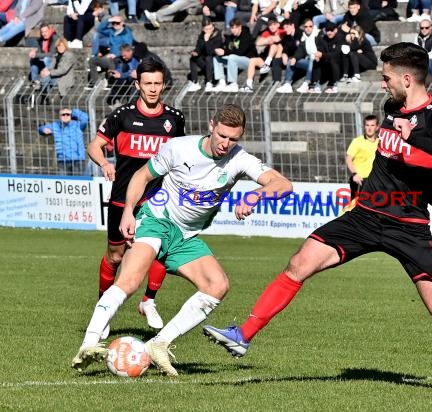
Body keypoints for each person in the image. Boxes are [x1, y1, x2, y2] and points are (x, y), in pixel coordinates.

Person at [203, 42, 432, 387]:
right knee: (299, 262)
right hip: (365, 214)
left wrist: (417, 145)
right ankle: (243, 334)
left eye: (386, 76)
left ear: (407, 79)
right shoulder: (392, 106)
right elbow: (400, 168)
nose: (382, 83)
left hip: (408, 227)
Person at [71, 104, 293, 376]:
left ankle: (159, 344)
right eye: (222, 135)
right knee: (130, 280)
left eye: (233, 139)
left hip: (186, 235)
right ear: (211, 126)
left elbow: (283, 184)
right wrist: (129, 211)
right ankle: (89, 343)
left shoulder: (239, 159)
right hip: (157, 220)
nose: (226, 144)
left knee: (217, 285)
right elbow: (142, 175)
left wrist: (256, 195)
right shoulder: (180, 148)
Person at [85, 58, 186, 339]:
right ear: (137, 84)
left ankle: (148, 300)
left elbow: (180, 155)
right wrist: (105, 164)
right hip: (122, 199)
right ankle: (103, 307)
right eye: (148, 83)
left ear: (164, 84)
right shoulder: (123, 116)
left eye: (158, 83)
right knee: (115, 256)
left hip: (158, 198)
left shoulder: (174, 119)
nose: (153, 89)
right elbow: (94, 146)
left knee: (159, 250)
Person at [87, 16, 135, 88]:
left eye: (117, 23)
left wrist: (116, 55)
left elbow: (128, 50)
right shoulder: (112, 31)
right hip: (109, 56)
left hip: (119, 58)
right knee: (92, 60)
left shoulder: (127, 34)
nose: (115, 24)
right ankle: (95, 83)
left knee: (110, 61)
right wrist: (108, 20)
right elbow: (99, 29)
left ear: (122, 23)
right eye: (113, 23)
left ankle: (110, 84)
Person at [38, 107, 88, 175]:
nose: (65, 116)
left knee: (78, 182)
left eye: (68, 114)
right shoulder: (55, 125)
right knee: (64, 182)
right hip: (62, 160)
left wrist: (73, 111)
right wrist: (43, 130)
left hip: (78, 159)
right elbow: (41, 128)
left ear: (71, 115)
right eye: (63, 114)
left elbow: (85, 119)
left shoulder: (78, 125)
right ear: (60, 116)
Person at [212, 18, 257, 93]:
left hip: (249, 61)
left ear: (240, 27)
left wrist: (225, 52)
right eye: (232, 28)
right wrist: (220, 51)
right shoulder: (231, 37)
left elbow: (240, 52)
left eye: (235, 28)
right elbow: (225, 48)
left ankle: (233, 84)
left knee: (231, 57)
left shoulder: (246, 36)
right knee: (217, 58)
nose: (233, 30)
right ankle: (222, 82)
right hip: (235, 60)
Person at [345, 114, 379, 199]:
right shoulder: (357, 141)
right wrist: (354, 174)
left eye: (372, 125)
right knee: (355, 208)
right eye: (367, 125)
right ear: (364, 126)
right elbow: (348, 159)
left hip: (374, 181)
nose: (369, 128)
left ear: (377, 127)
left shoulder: (380, 142)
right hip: (360, 180)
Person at [187, 17, 224, 93]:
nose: (209, 31)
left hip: (215, 62)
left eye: (210, 28)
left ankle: (209, 82)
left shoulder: (217, 35)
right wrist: (195, 52)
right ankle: (195, 82)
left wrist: (207, 41)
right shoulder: (202, 35)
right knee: (193, 59)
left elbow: (211, 52)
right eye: (207, 29)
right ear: (203, 29)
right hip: (205, 62)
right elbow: (198, 48)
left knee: (208, 57)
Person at [105, 43, 139, 109]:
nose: (123, 57)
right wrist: (112, 72)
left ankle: (130, 103)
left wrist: (121, 75)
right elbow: (118, 68)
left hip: (132, 84)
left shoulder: (136, 61)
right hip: (121, 82)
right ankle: (114, 100)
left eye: (125, 55)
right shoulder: (119, 59)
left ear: (130, 51)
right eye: (122, 55)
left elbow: (133, 73)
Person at [28, 23, 58, 88]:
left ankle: (46, 79)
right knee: (33, 59)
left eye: (46, 31)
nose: (44, 34)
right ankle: (35, 81)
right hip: (44, 61)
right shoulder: (40, 40)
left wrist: (37, 54)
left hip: (54, 62)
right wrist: (34, 52)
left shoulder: (54, 38)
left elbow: (51, 54)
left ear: (50, 30)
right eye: (42, 32)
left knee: (46, 59)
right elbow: (39, 52)